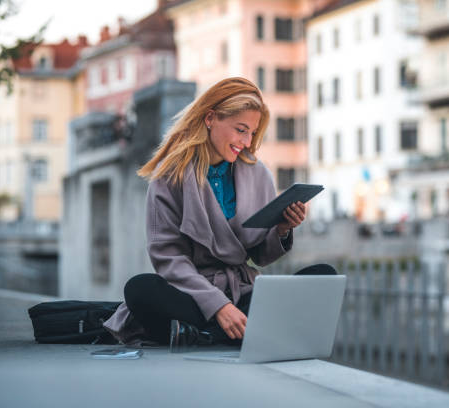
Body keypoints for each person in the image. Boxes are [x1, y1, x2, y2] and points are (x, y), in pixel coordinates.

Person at [103, 77, 335, 346]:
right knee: (140, 289)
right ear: (210, 118)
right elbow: (168, 258)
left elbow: (259, 256)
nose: (247, 142)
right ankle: (238, 330)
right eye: (240, 130)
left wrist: (282, 229)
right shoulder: (169, 177)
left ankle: (204, 336)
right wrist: (218, 306)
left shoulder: (258, 174)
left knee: (323, 275)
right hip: (191, 294)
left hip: (243, 291)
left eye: (252, 133)